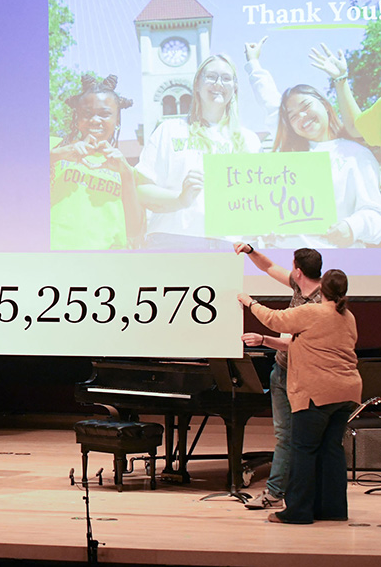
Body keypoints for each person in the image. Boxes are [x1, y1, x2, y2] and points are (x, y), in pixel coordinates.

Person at [238, 269, 362, 524]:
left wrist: (250, 302)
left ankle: (297, 512)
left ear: (323, 290)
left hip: (316, 392)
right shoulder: (348, 316)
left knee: (303, 450)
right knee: (332, 451)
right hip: (346, 392)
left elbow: (274, 319)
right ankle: (333, 509)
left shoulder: (312, 312)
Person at [244, 39, 381, 248]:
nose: (302, 116)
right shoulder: (291, 158)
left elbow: (375, 216)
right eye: (292, 116)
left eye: (306, 105)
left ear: (325, 105)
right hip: (291, 268)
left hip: (341, 269)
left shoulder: (356, 154)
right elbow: (272, 105)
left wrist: (353, 227)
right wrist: (254, 64)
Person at [136, 54, 262, 250]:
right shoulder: (169, 130)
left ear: (234, 88)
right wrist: (180, 199)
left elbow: (258, 202)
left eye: (226, 78)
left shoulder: (250, 141)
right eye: (211, 76)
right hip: (172, 242)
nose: (218, 83)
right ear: (197, 84)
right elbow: (141, 190)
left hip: (230, 246)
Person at [233, 243, 322, 510]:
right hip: (282, 370)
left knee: (293, 436)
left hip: (303, 376)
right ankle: (285, 490)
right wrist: (250, 251)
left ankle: (276, 492)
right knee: (285, 434)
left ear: (298, 271)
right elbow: (269, 266)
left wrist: (262, 338)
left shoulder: (320, 303)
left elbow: (293, 343)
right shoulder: (299, 286)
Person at [50, 74, 143, 249]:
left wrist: (127, 174)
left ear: (117, 120)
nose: (95, 120)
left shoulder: (124, 168)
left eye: (104, 114)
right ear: (77, 119)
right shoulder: (55, 146)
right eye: (87, 114)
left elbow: (134, 230)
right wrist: (63, 152)